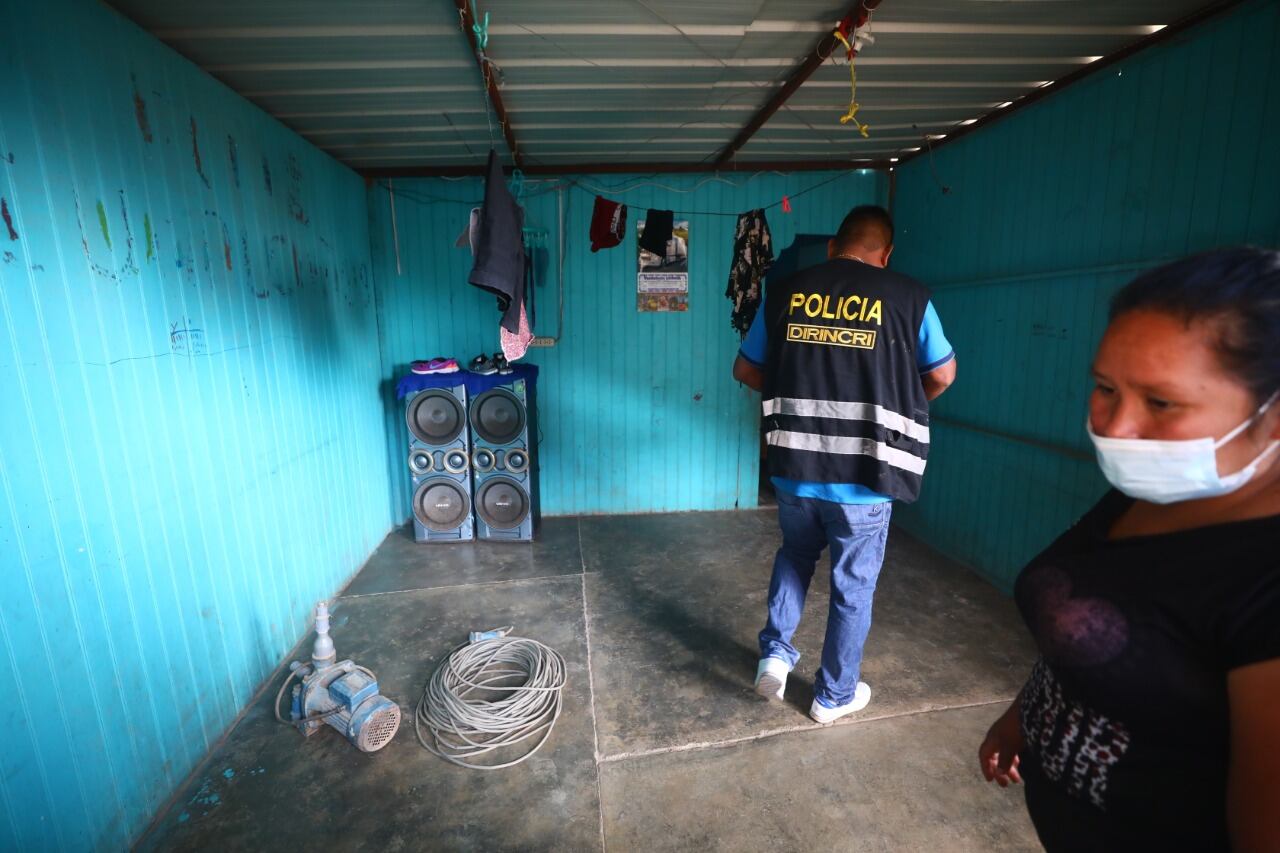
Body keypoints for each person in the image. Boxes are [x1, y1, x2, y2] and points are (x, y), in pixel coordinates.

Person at [977, 247, 1280, 851]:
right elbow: (1097, 625)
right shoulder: (1151, 490)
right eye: (1105, 387)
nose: (1115, 427)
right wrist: (1024, 716)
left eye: (1161, 402)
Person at [732, 205, 957, 723]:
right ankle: (832, 697)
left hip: (796, 467)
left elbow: (746, 368)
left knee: (795, 555)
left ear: (834, 246)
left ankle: (775, 654)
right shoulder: (910, 297)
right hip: (865, 476)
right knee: (852, 588)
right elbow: (942, 375)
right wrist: (901, 404)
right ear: (887, 254)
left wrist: (792, 388)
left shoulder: (786, 292)